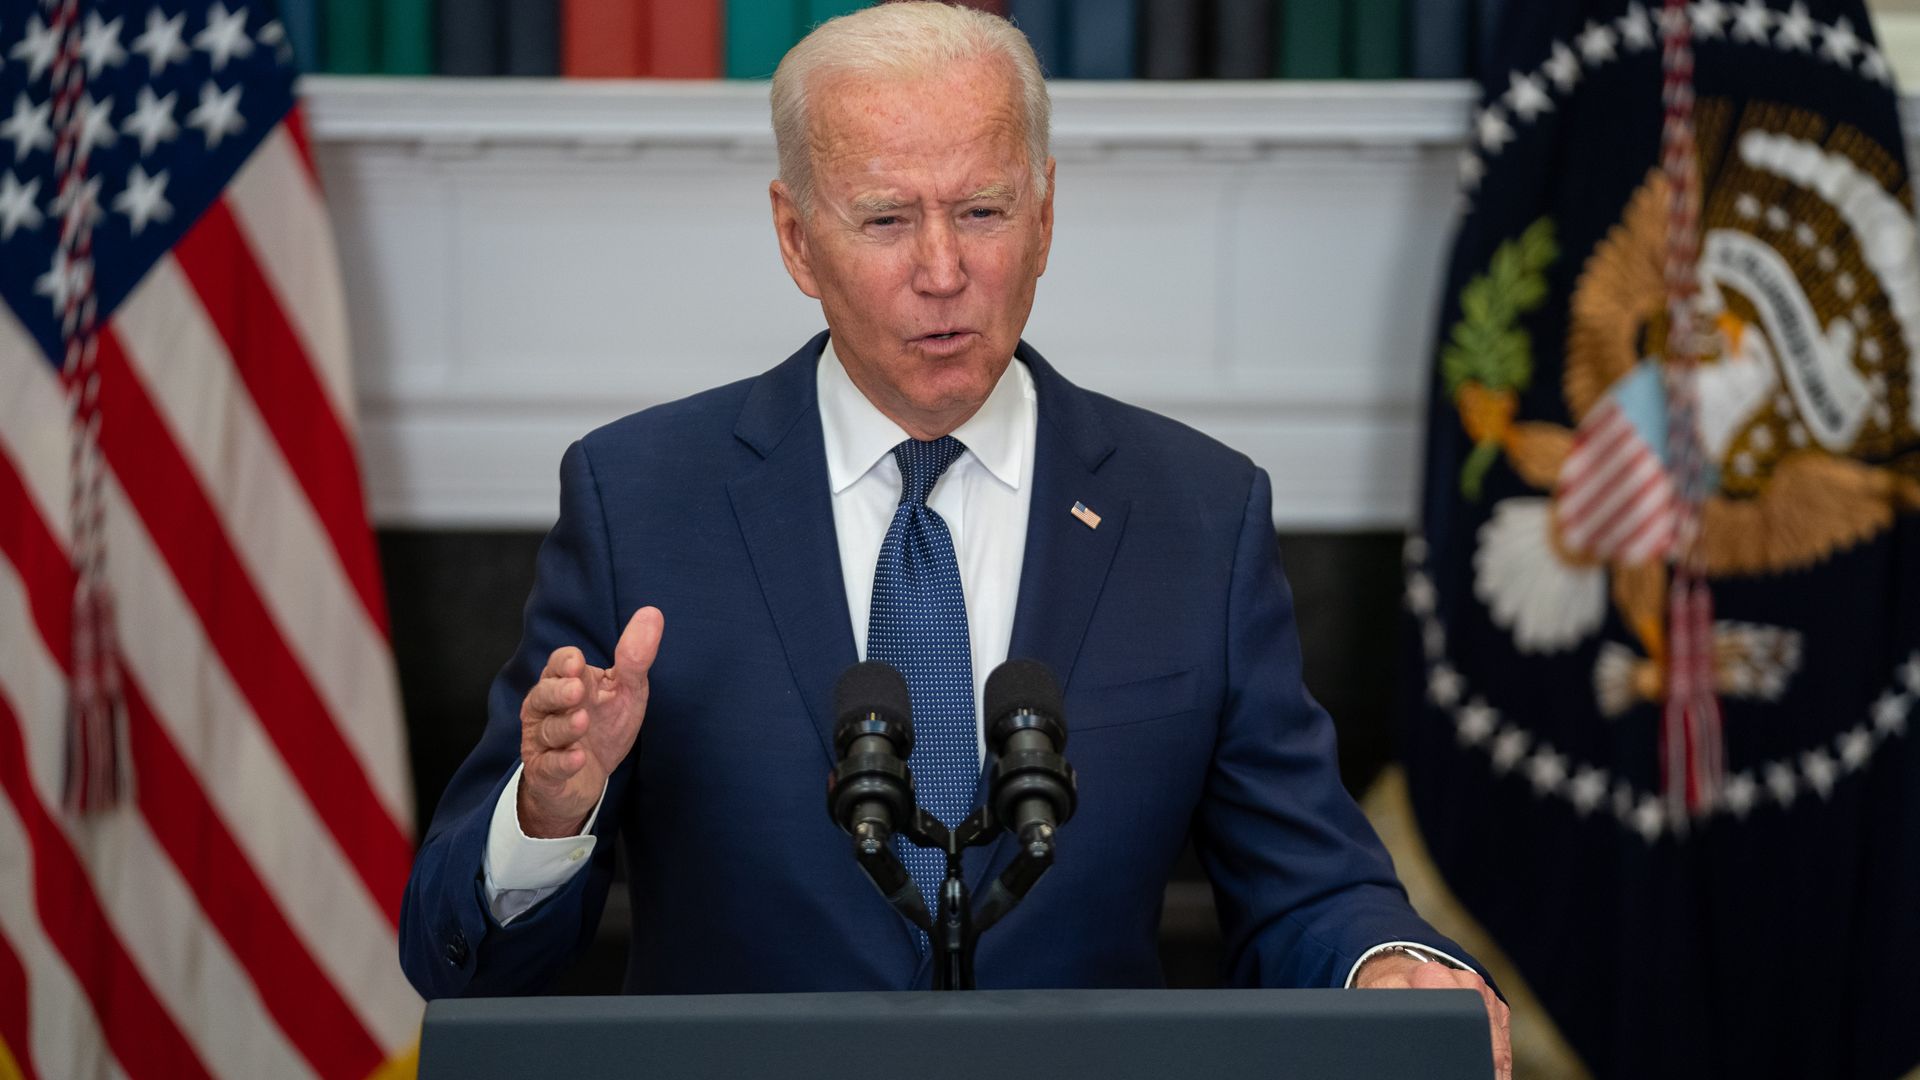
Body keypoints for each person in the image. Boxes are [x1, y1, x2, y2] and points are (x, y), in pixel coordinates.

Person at [399, 4, 1510, 1075]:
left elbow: (1308, 877)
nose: (942, 271)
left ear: (1045, 214)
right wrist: (550, 813)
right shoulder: (640, 500)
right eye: (886, 219)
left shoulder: (1197, 514)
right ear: (796, 236)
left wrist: (1392, 963)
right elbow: (465, 961)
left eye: (981, 210)